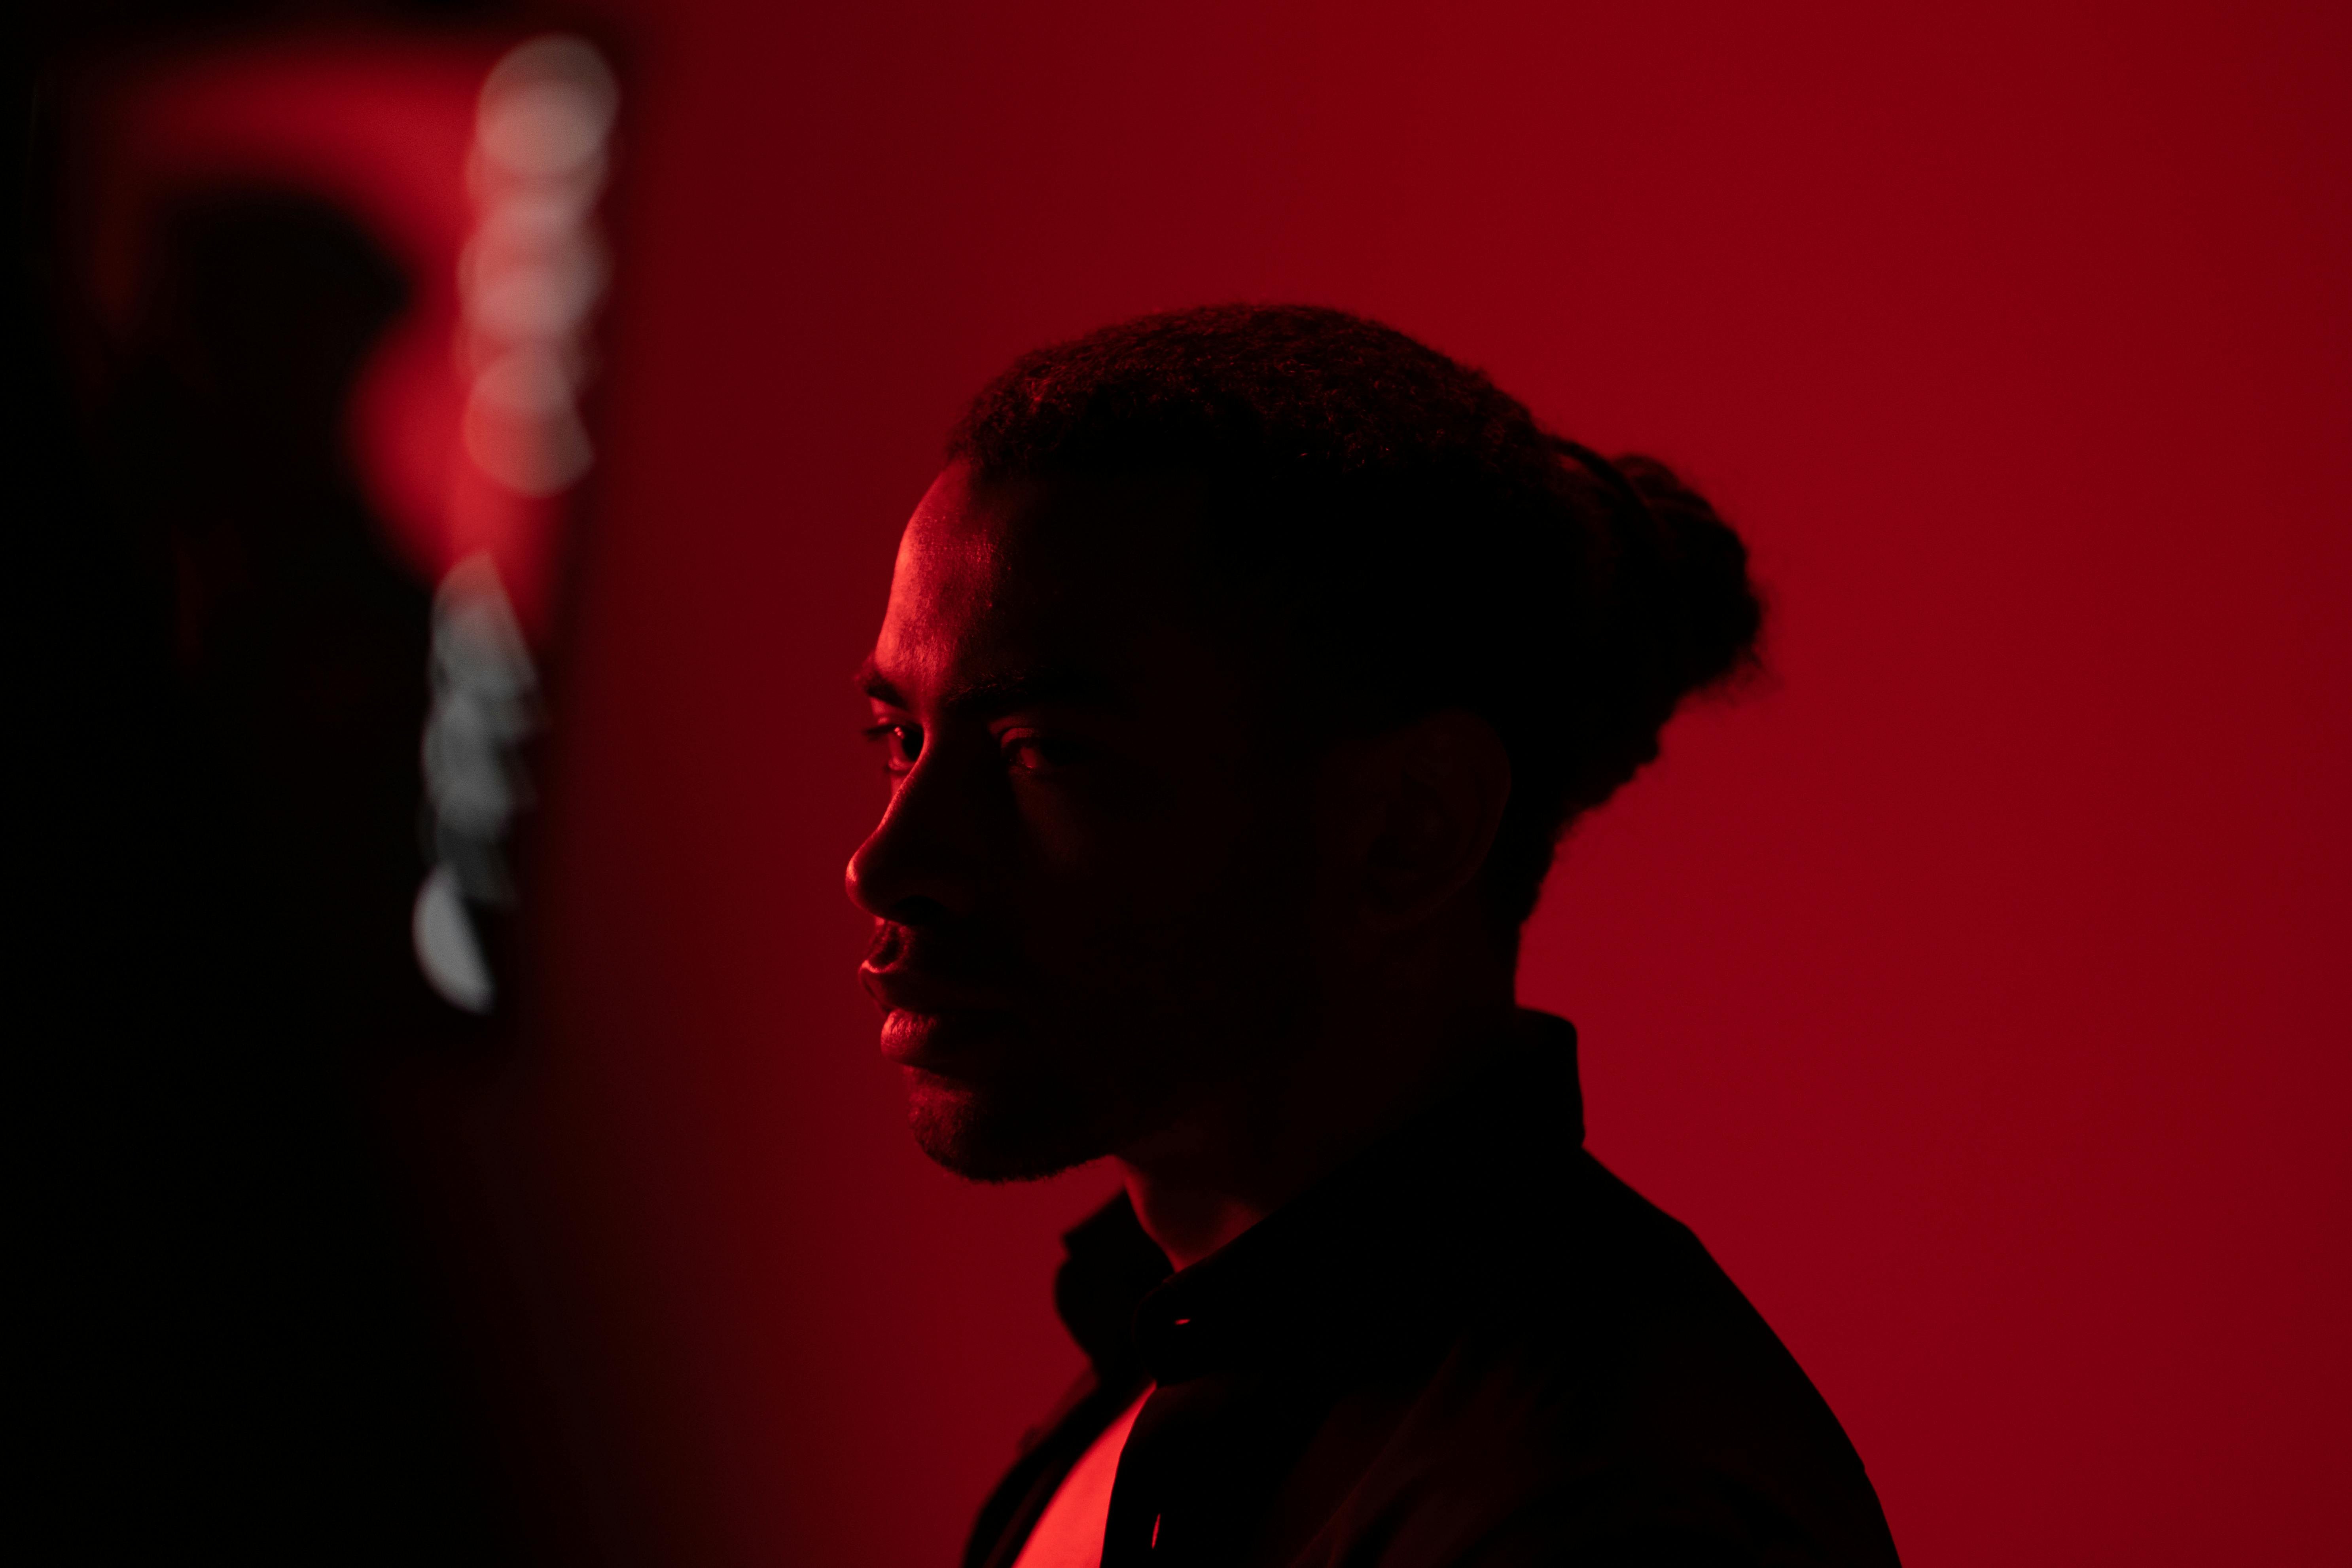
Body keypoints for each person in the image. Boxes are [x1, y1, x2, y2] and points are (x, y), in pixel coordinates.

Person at [846, 304, 1899, 1568]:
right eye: (899, 739)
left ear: (1409, 828)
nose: (886, 862)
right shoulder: (1160, 1373)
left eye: (1045, 755)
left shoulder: (1596, 1515)